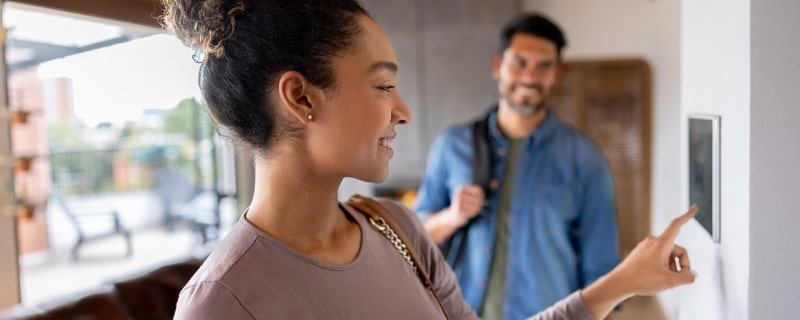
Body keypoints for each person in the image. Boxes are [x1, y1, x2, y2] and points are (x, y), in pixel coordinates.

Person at [160, 1, 696, 319]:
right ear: (301, 98)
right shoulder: (220, 303)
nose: (404, 110)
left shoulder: (396, 227)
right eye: (384, 84)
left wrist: (623, 281)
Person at [414, 13, 619, 319]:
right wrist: (452, 216)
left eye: (543, 66)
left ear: (558, 74)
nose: (529, 77)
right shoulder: (451, 146)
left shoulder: (586, 160)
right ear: (498, 66)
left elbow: (601, 272)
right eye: (519, 62)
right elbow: (415, 239)